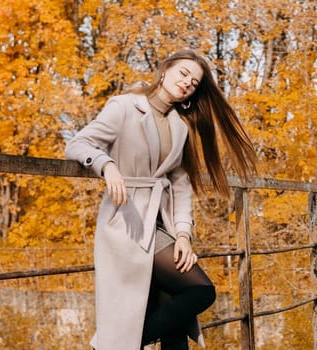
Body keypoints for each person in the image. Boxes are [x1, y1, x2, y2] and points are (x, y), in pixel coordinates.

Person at [65, 50, 257, 350]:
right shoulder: (125, 107)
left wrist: (183, 234)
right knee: (199, 292)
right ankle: (111, 345)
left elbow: (180, 185)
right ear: (165, 69)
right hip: (126, 223)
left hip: (161, 225)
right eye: (183, 73)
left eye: (193, 83)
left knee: (179, 323)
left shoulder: (180, 126)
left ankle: (115, 344)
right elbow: (78, 143)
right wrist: (106, 165)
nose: (186, 83)